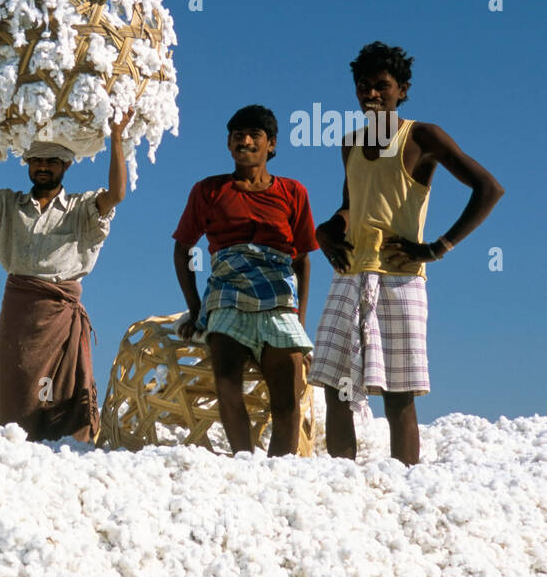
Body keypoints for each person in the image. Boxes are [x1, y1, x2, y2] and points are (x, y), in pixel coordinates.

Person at [309, 42, 504, 465]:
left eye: (382, 86)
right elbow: (352, 205)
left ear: (403, 90)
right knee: (333, 383)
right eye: (364, 86)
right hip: (350, 272)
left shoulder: (421, 136)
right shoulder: (350, 144)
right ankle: (342, 480)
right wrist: (327, 231)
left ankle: (404, 482)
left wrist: (438, 247)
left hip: (401, 278)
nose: (372, 95)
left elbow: (489, 189)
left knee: (399, 393)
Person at [0, 99, 132, 443]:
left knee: (63, 400)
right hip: (21, 315)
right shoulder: (6, 205)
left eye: (51, 161)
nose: (43, 167)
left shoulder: (81, 208)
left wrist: (117, 136)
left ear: (65, 165)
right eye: (37, 161)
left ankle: (68, 458)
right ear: (28, 166)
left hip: (62, 317)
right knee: (20, 404)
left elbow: (118, 194)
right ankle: (18, 458)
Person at [172, 105, 318, 457]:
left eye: (255, 135)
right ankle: (243, 462)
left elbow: (301, 259)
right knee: (226, 383)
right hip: (227, 296)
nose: (246, 141)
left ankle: (279, 469)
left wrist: (299, 321)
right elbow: (182, 249)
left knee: (288, 395)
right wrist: (197, 309)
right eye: (238, 136)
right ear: (228, 143)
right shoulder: (208, 191)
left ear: (272, 145)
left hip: (278, 298)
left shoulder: (293, 192)